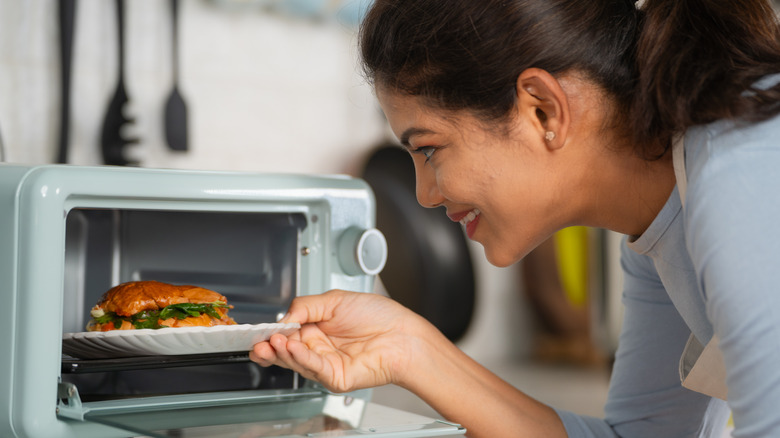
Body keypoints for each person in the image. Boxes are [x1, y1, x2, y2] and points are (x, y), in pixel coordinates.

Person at [250, 0, 780, 436]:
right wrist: (411, 349)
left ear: (541, 110)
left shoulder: (739, 167)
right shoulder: (656, 233)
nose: (425, 196)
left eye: (430, 149)